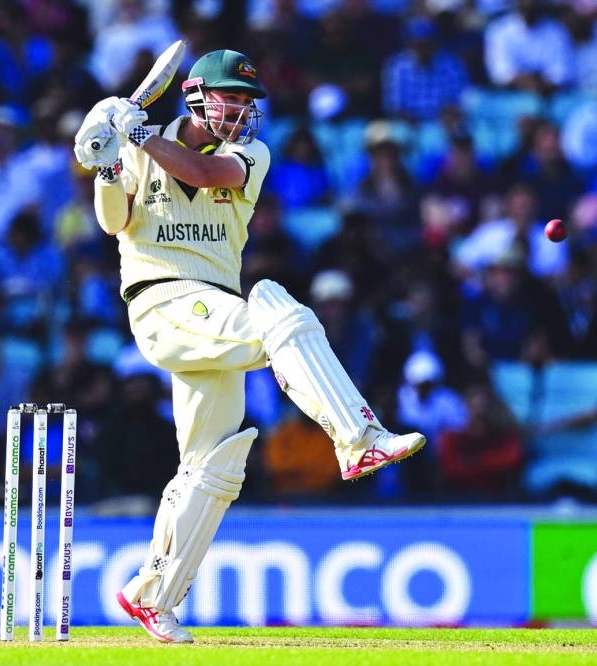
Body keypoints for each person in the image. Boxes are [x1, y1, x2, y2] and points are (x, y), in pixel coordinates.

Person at [72, 49, 426, 644]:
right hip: (161, 302)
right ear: (195, 97)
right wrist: (106, 162)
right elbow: (113, 224)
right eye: (229, 97)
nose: (239, 110)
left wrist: (134, 133)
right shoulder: (140, 146)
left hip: (210, 308)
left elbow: (205, 175)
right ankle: (358, 439)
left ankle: (152, 594)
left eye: (245, 101)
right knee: (276, 309)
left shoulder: (248, 154)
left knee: (215, 465)